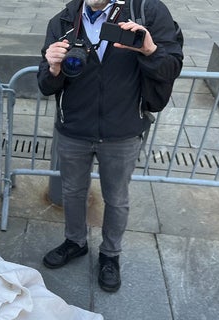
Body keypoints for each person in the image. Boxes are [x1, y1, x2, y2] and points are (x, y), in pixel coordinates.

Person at [37, 0, 182, 292]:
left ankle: (110, 254)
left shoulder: (148, 12)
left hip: (123, 130)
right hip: (74, 128)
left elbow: (171, 67)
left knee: (117, 199)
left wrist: (149, 50)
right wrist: (52, 68)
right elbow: (46, 85)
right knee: (72, 192)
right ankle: (75, 241)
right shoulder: (64, 20)